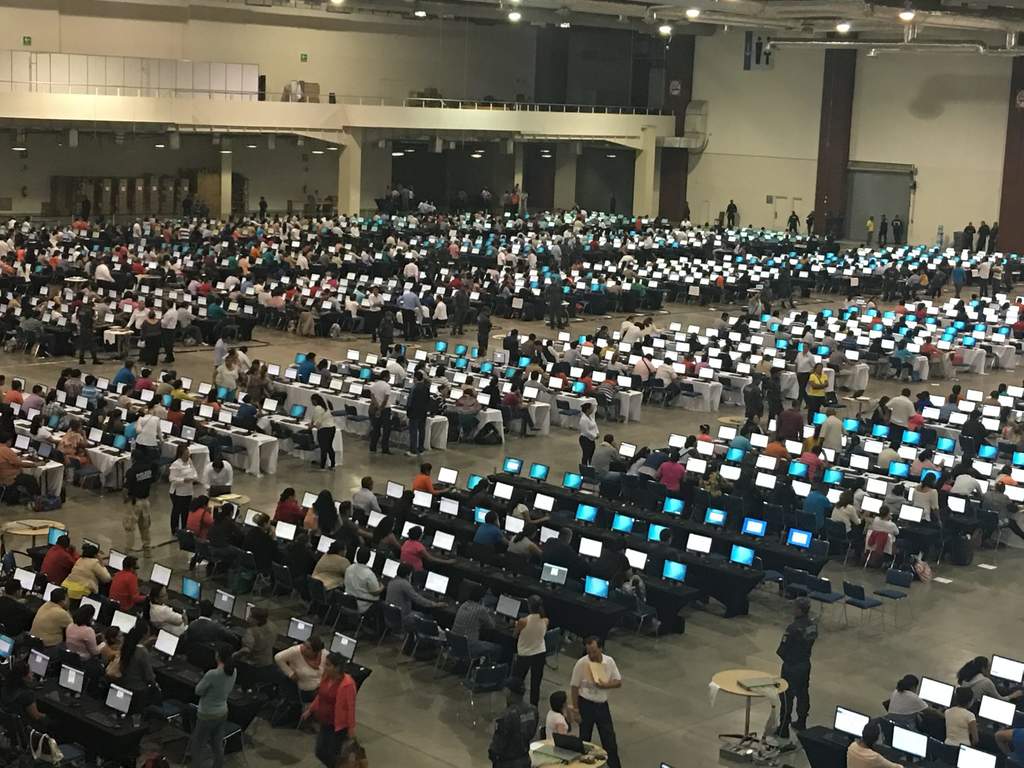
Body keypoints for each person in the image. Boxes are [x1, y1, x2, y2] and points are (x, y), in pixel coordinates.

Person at [570, 636, 622, 768]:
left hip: (602, 706)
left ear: (601, 649)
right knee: (584, 740)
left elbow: (618, 682)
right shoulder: (582, 663)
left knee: (609, 741)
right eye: (588, 652)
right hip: (585, 705)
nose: (591, 655)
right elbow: (574, 687)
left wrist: (606, 685)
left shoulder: (609, 662)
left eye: (594, 651)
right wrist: (576, 709)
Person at [301, 652, 357, 768]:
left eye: (328, 665)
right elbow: (320, 696)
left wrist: (351, 729)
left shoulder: (347, 684)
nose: (324, 667)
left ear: (337, 668)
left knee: (333, 754)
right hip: (324, 721)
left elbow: (350, 707)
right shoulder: (326, 677)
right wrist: (310, 710)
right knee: (320, 751)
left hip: (337, 726)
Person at [775, 597, 817, 738]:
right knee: (803, 693)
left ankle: (783, 727)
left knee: (786, 696)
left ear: (799, 610)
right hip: (805, 664)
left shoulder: (792, 628)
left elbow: (782, 649)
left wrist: (788, 659)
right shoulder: (812, 626)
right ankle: (801, 721)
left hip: (791, 666)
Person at [191, 644, 238, 768]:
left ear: (218, 655)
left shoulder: (213, 674)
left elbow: (198, 691)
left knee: (198, 746)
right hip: (222, 712)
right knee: (217, 744)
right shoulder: (233, 671)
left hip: (207, 714)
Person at [488, 677, 538, 768]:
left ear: (508, 691)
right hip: (525, 759)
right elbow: (532, 733)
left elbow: (499, 743)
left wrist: (492, 754)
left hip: (507, 763)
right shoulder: (533, 710)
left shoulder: (506, 715)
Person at [512, 595, 549, 707]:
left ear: (529, 606)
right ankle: (534, 706)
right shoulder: (546, 620)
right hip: (540, 653)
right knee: (535, 683)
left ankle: (515, 703)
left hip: (525, 654)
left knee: (518, 680)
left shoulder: (523, 621)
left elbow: (515, 635)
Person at [452, 582, 501, 663]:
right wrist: (487, 612)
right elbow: (492, 625)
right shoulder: (480, 610)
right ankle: (485, 669)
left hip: (454, 643)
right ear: (482, 599)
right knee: (497, 648)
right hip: (469, 646)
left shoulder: (464, 604)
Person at [275, 636, 327, 702]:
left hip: (321, 688)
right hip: (306, 692)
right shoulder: (295, 651)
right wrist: (290, 673)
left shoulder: (324, 654)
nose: (304, 648)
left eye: (308, 648)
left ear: (315, 652)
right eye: (304, 644)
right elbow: (278, 658)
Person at [123, 453, 154, 557]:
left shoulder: (131, 471)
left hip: (134, 502)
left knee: (129, 527)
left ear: (133, 459)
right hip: (146, 501)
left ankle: (129, 550)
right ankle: (147, 549)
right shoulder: (148, 469)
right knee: (145, 526)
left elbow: (125, 489)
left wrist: (125, 500)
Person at [169, 443, 198, 534]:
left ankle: (184, 528)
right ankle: (175, 529)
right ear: (181, 454)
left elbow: (194, 471)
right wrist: (183, 480)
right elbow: (172, 479)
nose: (188, 455)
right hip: (178, 492)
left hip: (188, 491)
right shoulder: (176, 464)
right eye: (186, 453)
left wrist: (194, 477)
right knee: (177, 511)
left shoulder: (189, 461)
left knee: (186, 511)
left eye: (188, 453)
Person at [344, 547, 384, 615]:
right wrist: (382, 586)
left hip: (347, 602)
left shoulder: (349, 568)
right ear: (368, 559)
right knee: (381, 603)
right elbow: (375, 592)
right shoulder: (369, 574)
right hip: (362, 605)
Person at [405, 370, 430, 457]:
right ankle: (421, 448)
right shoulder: (426, 387)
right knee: (422, 430)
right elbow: (428, 400)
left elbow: (410, 401)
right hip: (423, 412)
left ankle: (413, 450)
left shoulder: (414, 388)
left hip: (414, 412)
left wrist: (408, 411)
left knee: (413, 432)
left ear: (415, 378)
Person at [309, 394, 337, 470]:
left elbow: (318, 422)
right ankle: (333, 465)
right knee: (329, 447)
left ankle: (322, 466)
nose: (311, 402)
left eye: (312, 400)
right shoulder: (325, 407)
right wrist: (312, 423)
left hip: (324, 430)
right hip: (332, 428)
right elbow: (315, 418)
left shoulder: (318, 408)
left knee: (323, 448)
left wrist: (311, 426)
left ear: (315, 400)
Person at [368, 370, 392, 454]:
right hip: (385, 410)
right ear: (385, 377)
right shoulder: (387, 386)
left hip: (375, 408)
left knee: (376, 429)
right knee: (386, 430)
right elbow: (385, 400)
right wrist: (380, 409)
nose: (390, 378)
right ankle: (384, 448)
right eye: (389, 376)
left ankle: (373, 447)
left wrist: (377, 408)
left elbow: (373, 397)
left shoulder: (374, 385)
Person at [578, 402, 598, 468]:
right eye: (591, 408)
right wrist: (594, 436)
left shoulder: (591, 417)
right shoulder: (583, 419)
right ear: (587, 410)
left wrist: (597, 432)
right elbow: (586, 431)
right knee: (586, 455)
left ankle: (590, 467)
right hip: (585, 439)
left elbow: (595, 425)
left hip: (591, 439)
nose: (593, 409)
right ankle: (584, 468)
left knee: (591, 454)